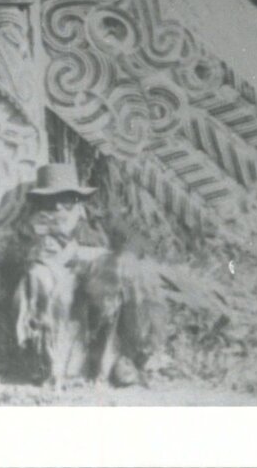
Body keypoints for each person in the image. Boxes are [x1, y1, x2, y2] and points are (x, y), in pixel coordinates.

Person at [13, 163, 159, 388]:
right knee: (43, 279)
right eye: (53, 201)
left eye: (68, 199)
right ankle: (54, 364)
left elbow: (102, 249)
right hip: (56, 274)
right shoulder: (36, 225)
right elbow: (41, 257)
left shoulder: (85, 222)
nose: (61, 205)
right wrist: (75, 252)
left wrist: (105, 258)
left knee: (124, 270)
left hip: (88, 276)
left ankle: (125, 358)